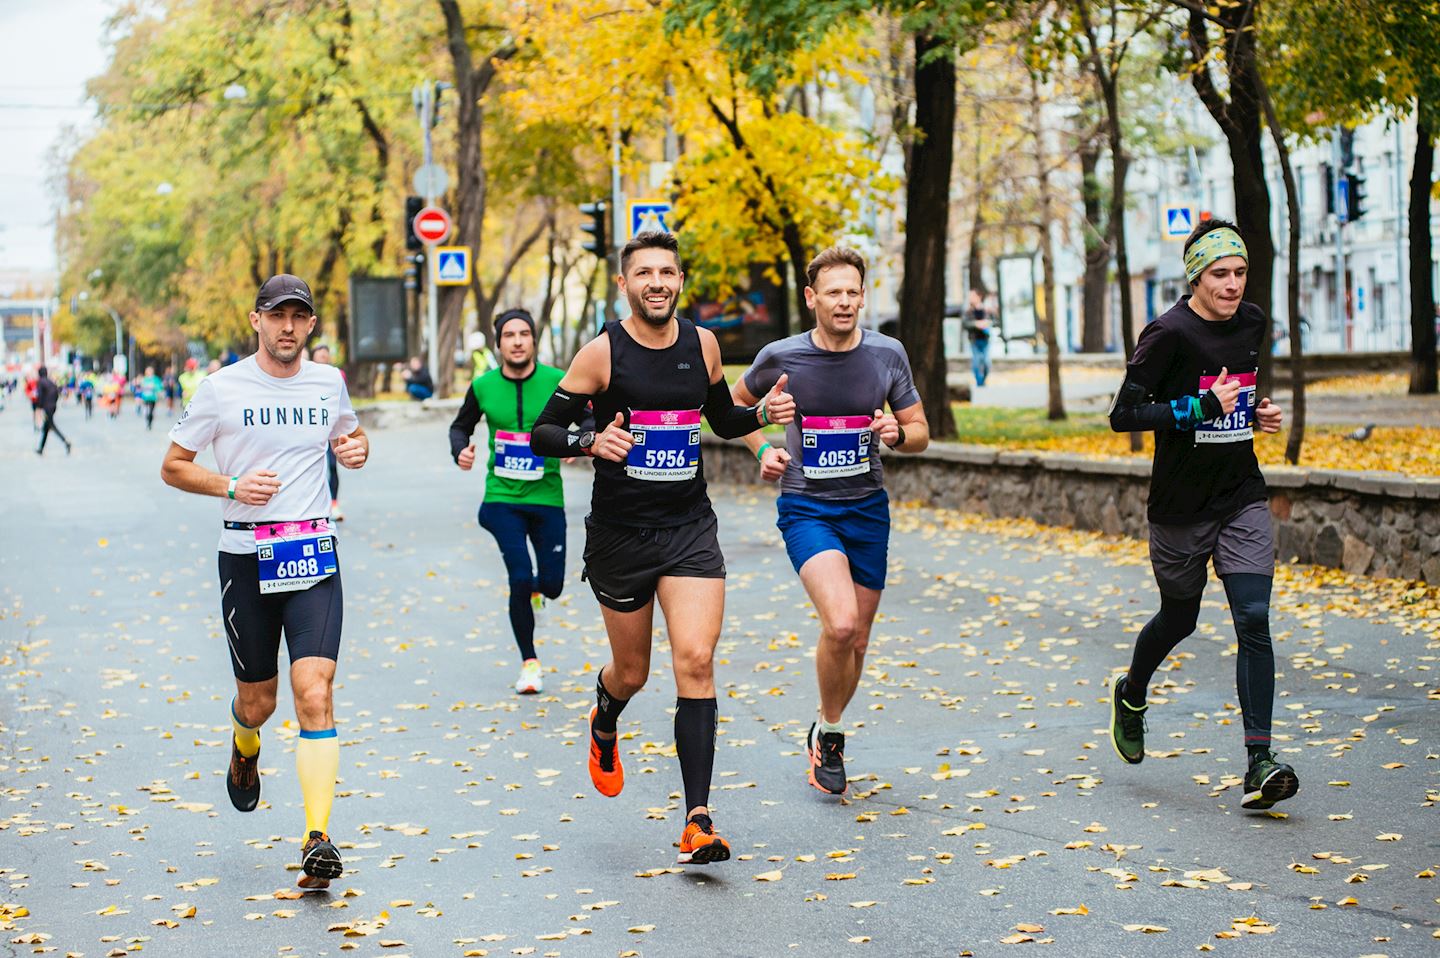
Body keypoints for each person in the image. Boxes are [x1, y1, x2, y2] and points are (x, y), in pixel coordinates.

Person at [529, 231, 794, 864]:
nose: (657, 282)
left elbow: (719, 418)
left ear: (680, 281)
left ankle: (697, 819)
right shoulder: (601, 353)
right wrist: (588, 443)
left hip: (688, 529)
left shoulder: (702, 344)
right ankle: (604, 712)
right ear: (624, 284)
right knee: (634, 671)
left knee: (696, 660)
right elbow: (543, 431)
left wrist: (762, 415)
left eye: (667, 272)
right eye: (644, 273)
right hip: (621, 537)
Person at [161, 274, 369, 888]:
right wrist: (230, 486)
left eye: (298, 317)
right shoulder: (221, 388)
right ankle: (244, 745)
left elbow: (348, 435)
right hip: (246, 559)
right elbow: (173, 466)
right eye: (276, 316)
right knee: (260, 700)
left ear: (310, 325)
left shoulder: (328, 382)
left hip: (311, 553)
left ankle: (317, 837)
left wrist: (357, 449)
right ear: (255, 321)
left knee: (315, 691)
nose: (287, 327)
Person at [1107, 218, 1296, 811]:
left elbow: (1238, 391)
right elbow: (1124, 415)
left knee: (1254, 618)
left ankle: (1259, 761)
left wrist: (1254, 413)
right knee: (1179, 619)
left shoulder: (1253, 322)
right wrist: (1198, 406)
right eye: (1221, 273)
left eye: (1240, 272)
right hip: (1180, 508)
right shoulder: (1167, 334)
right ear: (1196, 276)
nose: (1233, 284)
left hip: (1240, 493)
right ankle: (1132, 692)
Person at [731, 246, 929, 795]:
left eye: (853, 291)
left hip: (868, 508)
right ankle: (832, 734)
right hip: (806, 506)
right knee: (840, 623)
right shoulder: (781, 356)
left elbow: (920, 431)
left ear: (863, 296)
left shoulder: (888, 354)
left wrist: (898, 434)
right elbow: (730, 407)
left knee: (858, 640)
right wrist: (760, 445)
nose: (844, 302)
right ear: (811, 298)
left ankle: (827, 724)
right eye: (833, 292)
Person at [449, 309, 575, 694]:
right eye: (509, 335)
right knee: (519, 578)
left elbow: (589, 418)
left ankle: (535, 592)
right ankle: (530, 663)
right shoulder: (484, 385)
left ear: (534, 340)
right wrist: (460, 452)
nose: (517, 341)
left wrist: (580, 442)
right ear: (498, 343)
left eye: (524, 334)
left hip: (547, 496)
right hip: (501, 498)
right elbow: (460, 426)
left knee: (550, 585)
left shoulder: (559, 381)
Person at [309, 345, 345, 521]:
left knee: (332, 466)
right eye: (320, 356)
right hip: (312, 432)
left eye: (325, 356)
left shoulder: (336, 377)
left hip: (331, 430)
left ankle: (334, 503)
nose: (323, 359)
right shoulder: (306, 378)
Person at [33, 366, 72, 455]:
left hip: (47, 408)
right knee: (46, 428)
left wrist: (39, 408)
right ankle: (41, 449)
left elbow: (40, 396)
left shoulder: (40, 382)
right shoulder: (50, 382)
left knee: (52, 426)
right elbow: (57, 393)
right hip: (52, 407)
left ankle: (66, 442)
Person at [963, 288, 993, 387]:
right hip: (974, 340)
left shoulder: (987, 310)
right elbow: (965, 324)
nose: (971, 299)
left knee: (986, 362)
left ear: (979, 297)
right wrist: (976, 324)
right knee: (976, 361)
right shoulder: (968, 311)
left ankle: (983, 380)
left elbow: (995, 321)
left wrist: (987, 323)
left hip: (985, 339)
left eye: (973, 296)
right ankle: (979, 382)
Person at [140, 365, 162, 430]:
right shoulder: (144, 379)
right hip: (145, 398)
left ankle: (150, 423)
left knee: (151, 412)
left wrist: (154, 387)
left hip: (153, 398)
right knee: (146, 411)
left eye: (150, 371)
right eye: (148, 371)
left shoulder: (155, 379)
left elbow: (159, 387)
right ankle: (147, 422)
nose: (149, 372)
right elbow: (141, 388)